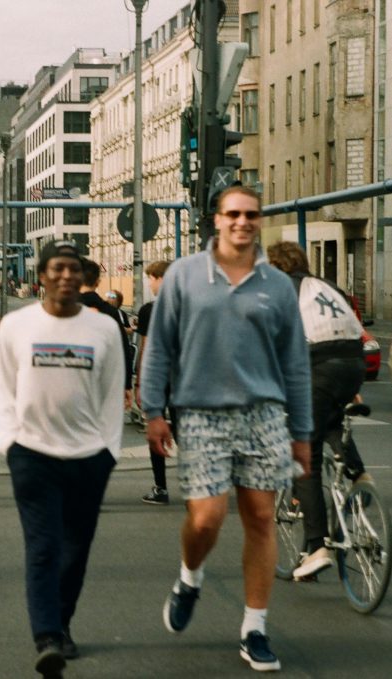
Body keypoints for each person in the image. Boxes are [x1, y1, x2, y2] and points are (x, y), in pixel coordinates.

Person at [140, 186, 311, 672]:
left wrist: (302, 432)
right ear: (216, 220)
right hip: (200, 413)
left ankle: (255, 628)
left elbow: (295, 363)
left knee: (260, 518)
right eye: (233, 213)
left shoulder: (277, 285)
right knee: (206, 519)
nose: (242, 222)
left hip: (264, 414)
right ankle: (190, 577)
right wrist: (153, 411)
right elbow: (160, 347)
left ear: (260, 220)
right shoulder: (184, 275)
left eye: (251, 214)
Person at [0, 241, 127, 678]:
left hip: (89, 457)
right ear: (42, 276)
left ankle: (63, 621)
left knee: (76, 549)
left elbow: (112, 392)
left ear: (81, 275)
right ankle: (47, 636)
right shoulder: (16, 325)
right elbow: (3, 388)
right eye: (57, 269)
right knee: (44, 546)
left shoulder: (103, 327)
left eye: (73, 269)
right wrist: (9, 444)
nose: (66, 276)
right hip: (32, 455)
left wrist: (109, 452)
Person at [266, 241, 371, 580]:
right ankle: (359, 475)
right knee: (326, 416)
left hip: (319, 364)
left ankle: (316, 548)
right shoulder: (327, 285)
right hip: (354, 361)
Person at [134, 260, 172, 505]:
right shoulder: (191, 307)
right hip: (185, 378)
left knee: (155, 430)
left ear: (161, 279)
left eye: (151, 279)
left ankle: (161, 487)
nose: (150, 284)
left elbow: (146, 348)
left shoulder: (150, 310)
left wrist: (140, 381)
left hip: (159, 377)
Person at [78, 257, 134, 393]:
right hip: (105, 382)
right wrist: (127, 385)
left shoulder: (64, 310)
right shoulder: (111, 312)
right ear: (98, 282)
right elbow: (123, 349)